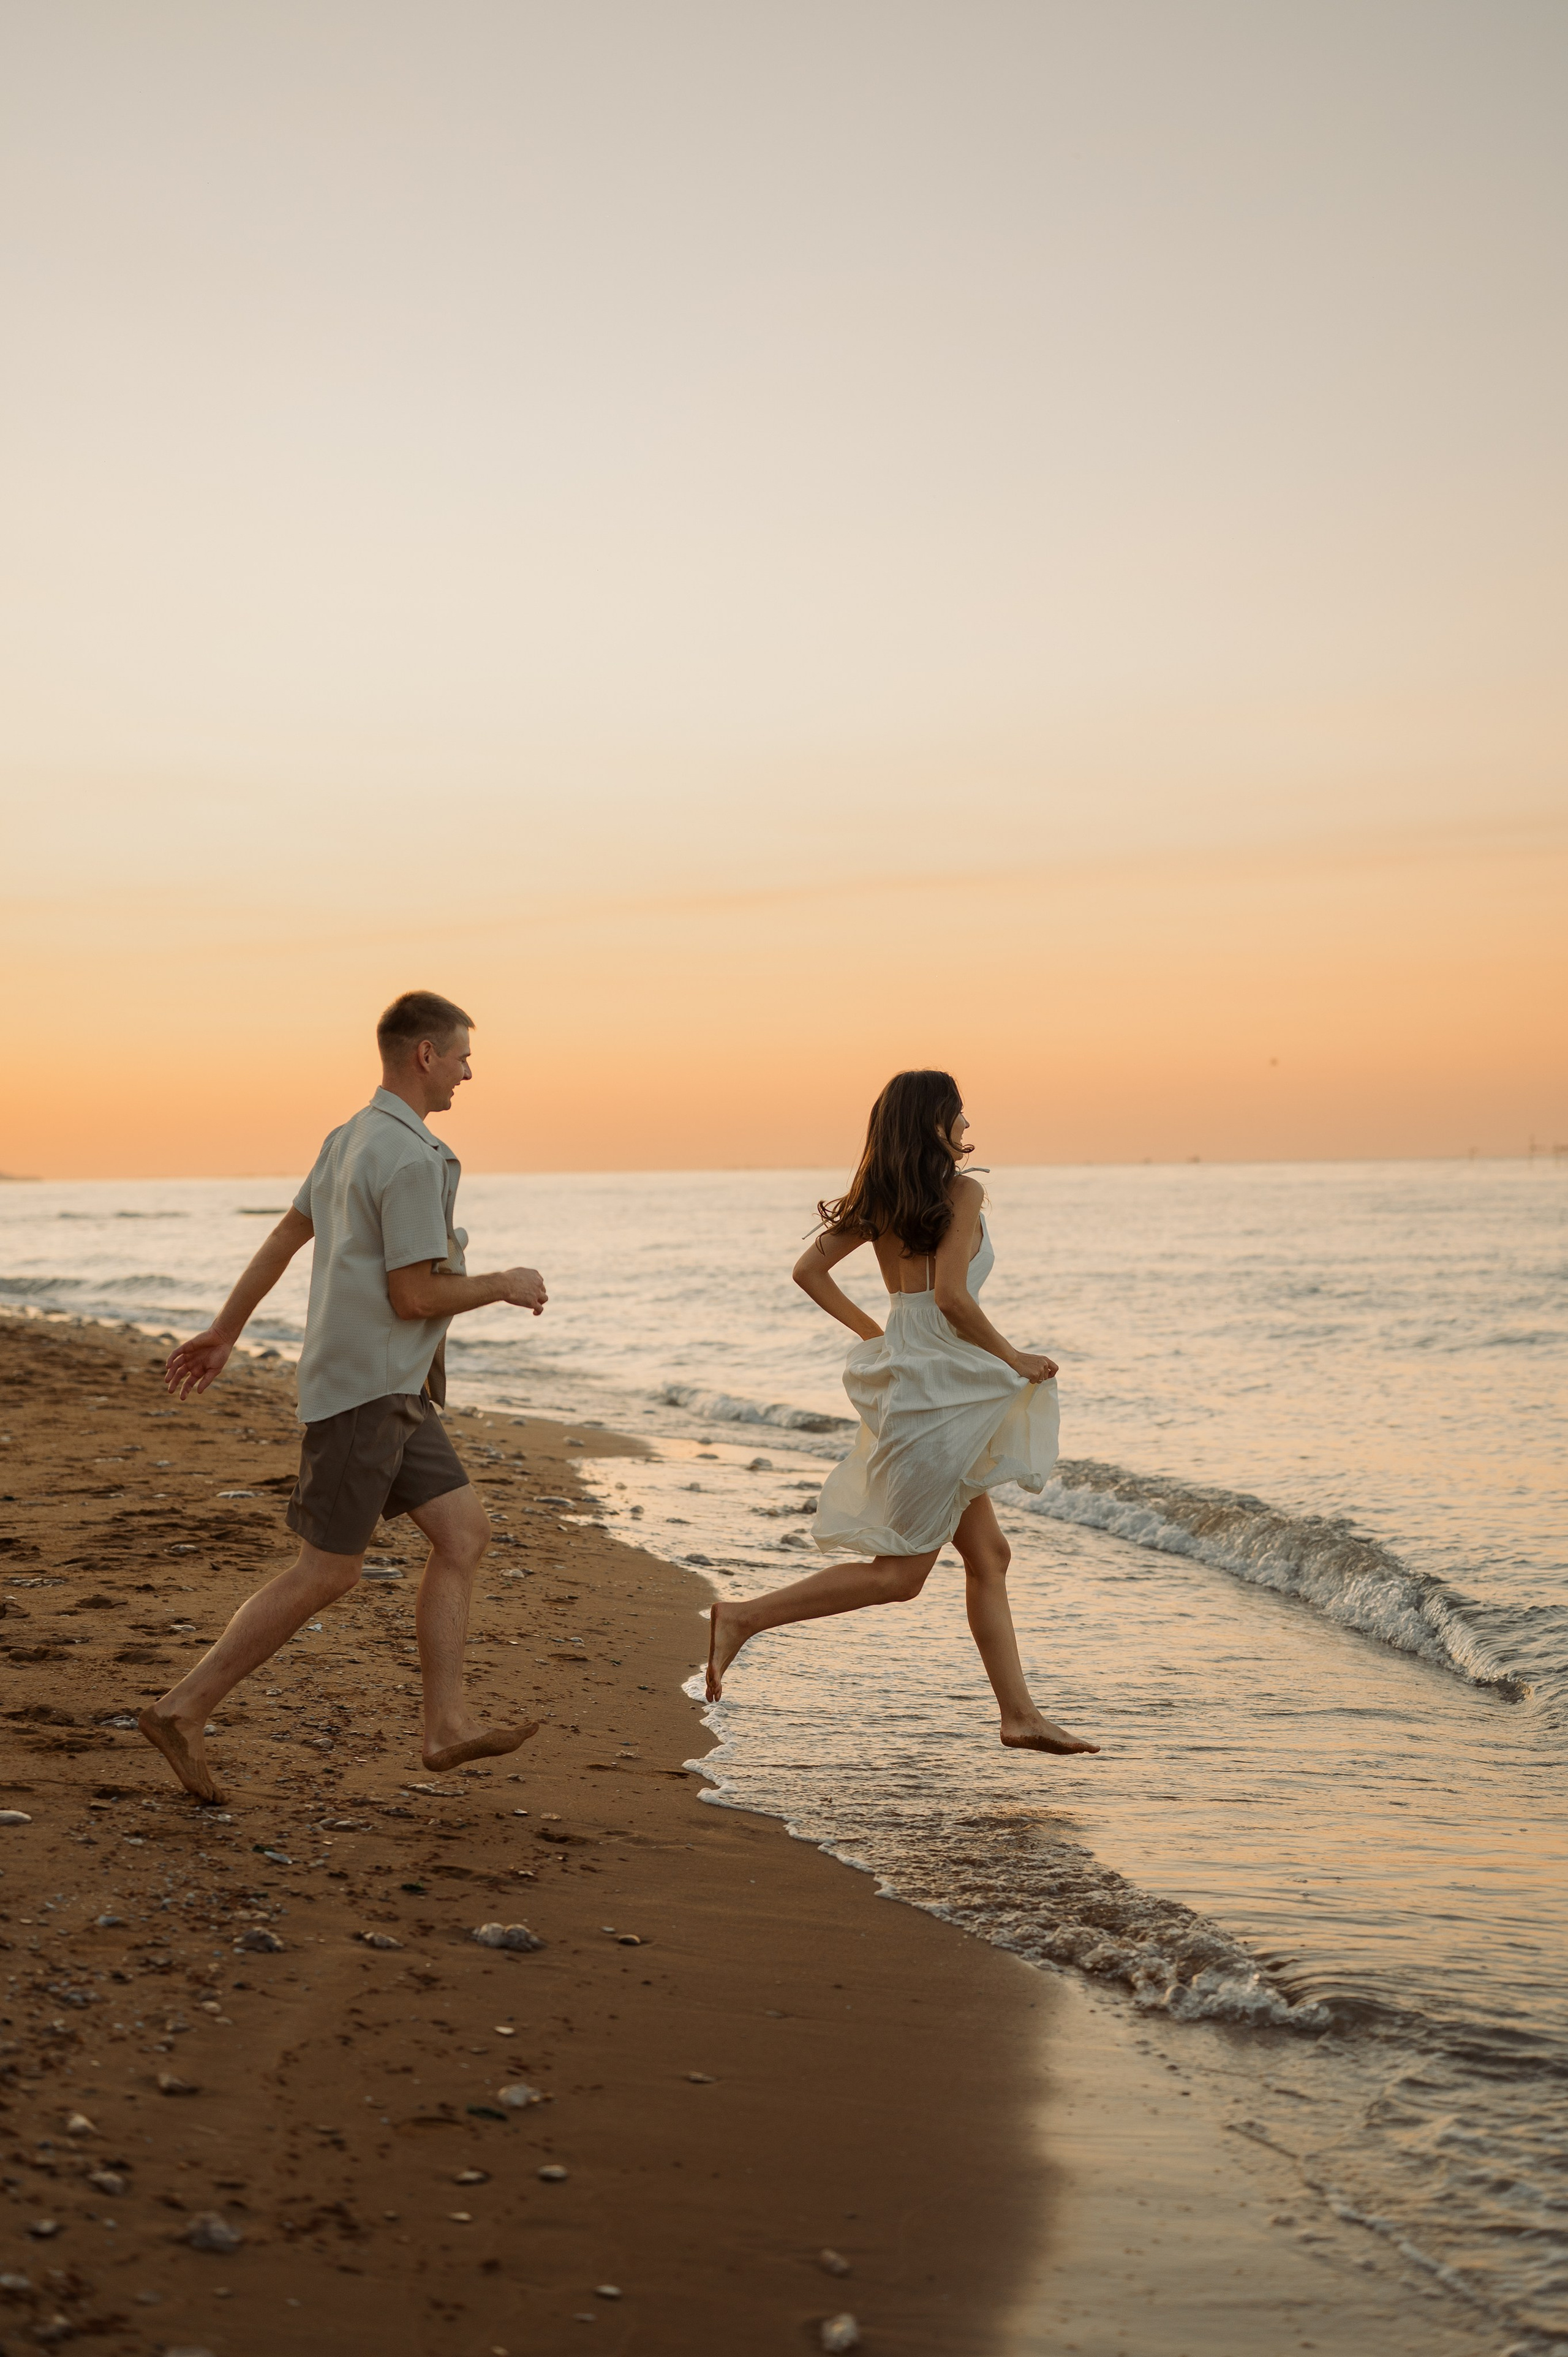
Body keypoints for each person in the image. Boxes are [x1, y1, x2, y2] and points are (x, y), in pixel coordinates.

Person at [143, 990, 548, 1804]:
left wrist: (225, 1329)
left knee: (464, 1534)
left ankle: (445, 1727)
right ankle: (184, 1709)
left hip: (393, 1388)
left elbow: (289, 1235)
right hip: (368, 1390)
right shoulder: (404, 1156)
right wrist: (505, 1282)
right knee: (328, 1571)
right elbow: (414, 1298)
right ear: (426, 1055)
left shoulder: (349, 1136)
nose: (470, 1072)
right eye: (464, 1055)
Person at [706, 1069, 1098, 1756]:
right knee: (900, 1575)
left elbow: (808, 1271)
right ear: (933, 1123)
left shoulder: (879, 1198)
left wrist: (878, 1332)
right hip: (940, 1389)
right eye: (958, 1113)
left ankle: (1019, 1714)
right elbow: (949, 1295)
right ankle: (742, 1617)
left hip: (919, 1380)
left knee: (988, 1552)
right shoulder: (963, 1191)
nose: (968, 1125)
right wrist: (1015, 1356)